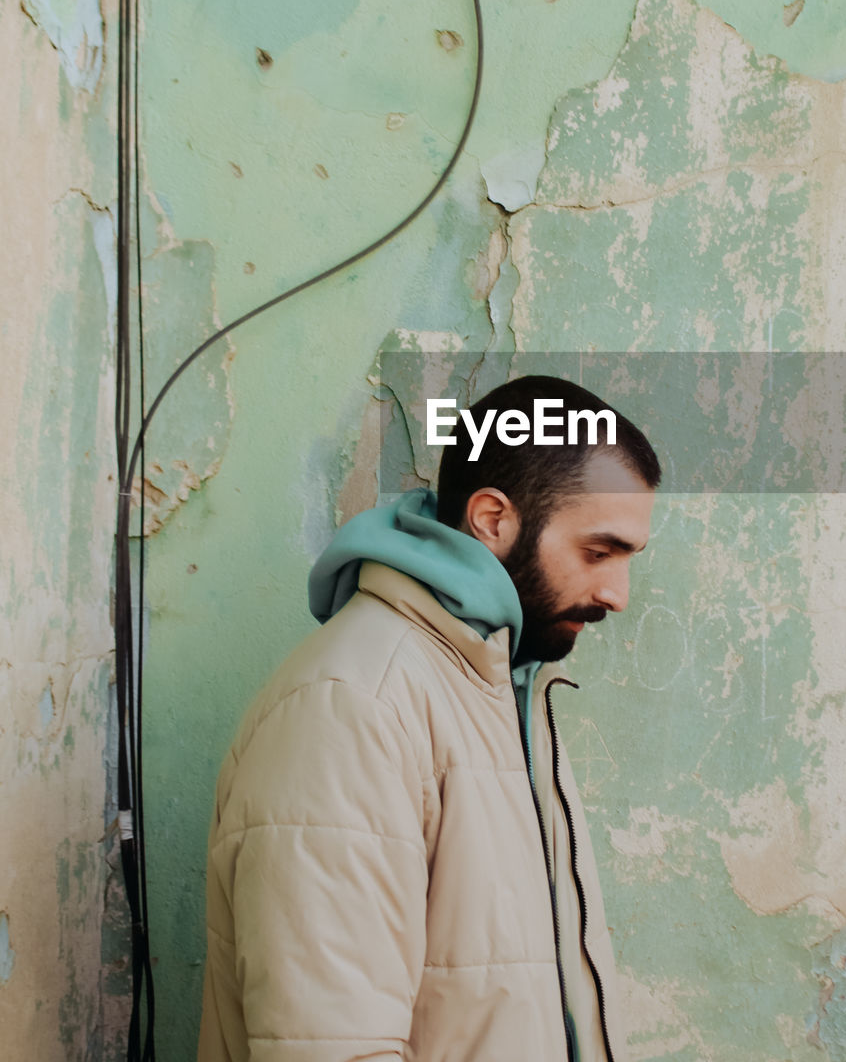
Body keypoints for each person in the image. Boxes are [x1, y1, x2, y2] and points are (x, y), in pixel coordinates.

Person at [197, 375, 660, 1062]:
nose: (617, 595)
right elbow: (330, 1048)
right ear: (493, 520)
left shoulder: (500, 688)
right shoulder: (353, 708)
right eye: (598, 552)